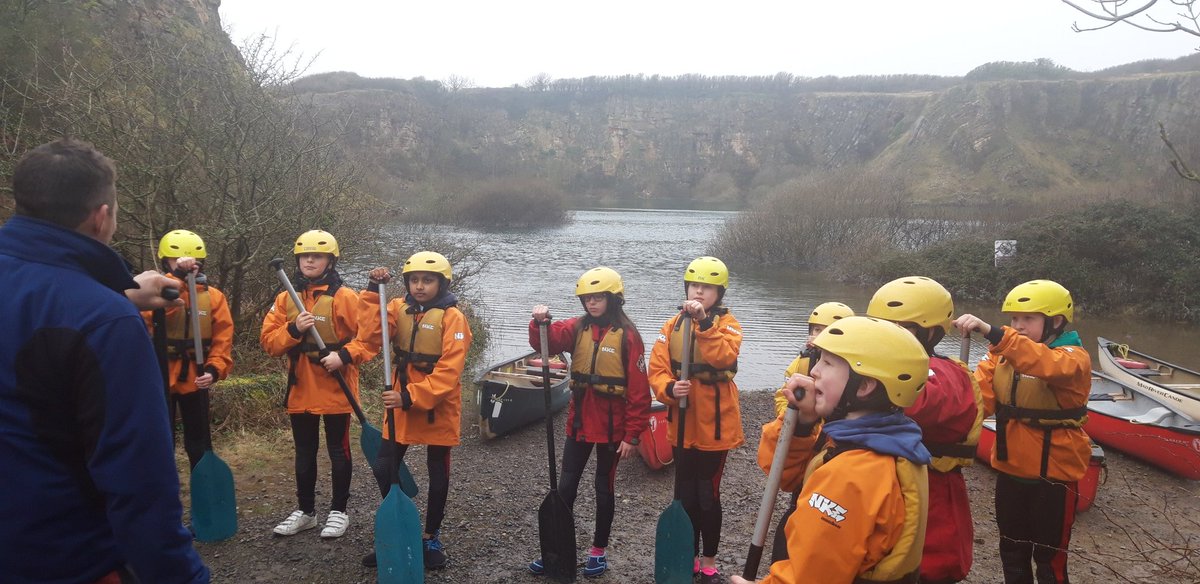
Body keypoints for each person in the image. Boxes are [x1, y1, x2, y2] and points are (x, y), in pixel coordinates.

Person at [0, 138, 209, 582]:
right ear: (101, 217)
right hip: (65, 558)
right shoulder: (106, 322)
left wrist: (118, 293)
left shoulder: (98, 310)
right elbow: (138, 485)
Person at [733, 316, 932, 584]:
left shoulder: (853, 474)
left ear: (863, 387)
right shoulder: (883, 440)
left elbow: (814, 576)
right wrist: (803, 425)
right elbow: (786, 477)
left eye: (827, 363)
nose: (814, 371)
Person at [954, 280, 1090, 584]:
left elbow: (1047, 365)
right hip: (1011, 471)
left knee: (1049, 559)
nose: (1018, 326)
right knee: (1012, 551)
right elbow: (977, 402)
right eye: (1014, 319)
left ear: (1055, 321)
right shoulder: (1000, 357)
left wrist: (994, 332)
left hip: (1054, 478)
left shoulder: (1073, 358)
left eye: (1027, 319)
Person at [527, 266, 651, 578]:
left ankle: (598, 551)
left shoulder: (629, 336)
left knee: (603, 488)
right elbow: (549, 342)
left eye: (598, 298)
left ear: (613, 299)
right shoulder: (577, 327)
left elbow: (639, 391)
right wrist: (540, 322)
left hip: (613, 429)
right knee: (565, 487)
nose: (591, 303)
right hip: (580, 424)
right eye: (587, 298)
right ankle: (557, 549)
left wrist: (632, 436)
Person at [358, 252, 474, 570]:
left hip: (436, 403)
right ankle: (402, 525)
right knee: (384, 464)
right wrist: (371, 291)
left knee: (438, 472)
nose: (420, 286)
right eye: (414, 280)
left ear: (442, 283)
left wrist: (410, 396)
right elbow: (370, 334)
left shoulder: (454, 319)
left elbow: (450, 371)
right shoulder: (396, 307)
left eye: (428, 280)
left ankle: (430, 536)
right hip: (401, 397)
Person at [865, 276, 982, 584]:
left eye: (901, 328)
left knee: (927, 572)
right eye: (881, 328)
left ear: (930, 332)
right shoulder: (874, 368)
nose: (888, 337)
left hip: (933, 499)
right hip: (885, 491)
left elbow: (918, 402)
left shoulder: (947, 374)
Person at [260, 229, 373, 539]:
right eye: (304, 255)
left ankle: (339, 511)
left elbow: (369, 339)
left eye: (317, 255)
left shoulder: (345, 297)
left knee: (339, 451)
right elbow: (269, 343)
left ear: (330, 261)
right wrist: (294, 329)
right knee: (305, 451)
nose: (309, 260)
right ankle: (306, 511)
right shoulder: (285, 298)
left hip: (337, 387)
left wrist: (344, 356)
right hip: (301, 389)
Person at [649, 256, 743, 584]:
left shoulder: (728, 325)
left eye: (707, 287)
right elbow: (657, 370)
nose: (699, 291)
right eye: (694, 285)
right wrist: (670, 389)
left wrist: (704, 324)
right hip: (682, 426)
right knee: (685, 495)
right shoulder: (671, 325)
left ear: (719, 293)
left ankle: (710, 561)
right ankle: (687, 556)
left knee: (708, 495)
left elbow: (724, 356)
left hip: (716, 430)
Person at [143, 230, 235, 470]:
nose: (187, 265)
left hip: (196, 376)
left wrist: (215, 370)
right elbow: (149, 318)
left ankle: (203, 489)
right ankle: (163, 490)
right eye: (178, 262)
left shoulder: (214, 298)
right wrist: (177, 281)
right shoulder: (151, 293)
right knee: (161, 441)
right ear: (166, 263)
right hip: (159, 376)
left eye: (192, 262)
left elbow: (222, 341)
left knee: (198, 442)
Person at [772, 302, 854, 416]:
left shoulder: (854, 366)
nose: (820, 336)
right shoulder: (804, 360)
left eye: (828, 331)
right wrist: (792, 416)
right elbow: (783, 396)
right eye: (817, 330)